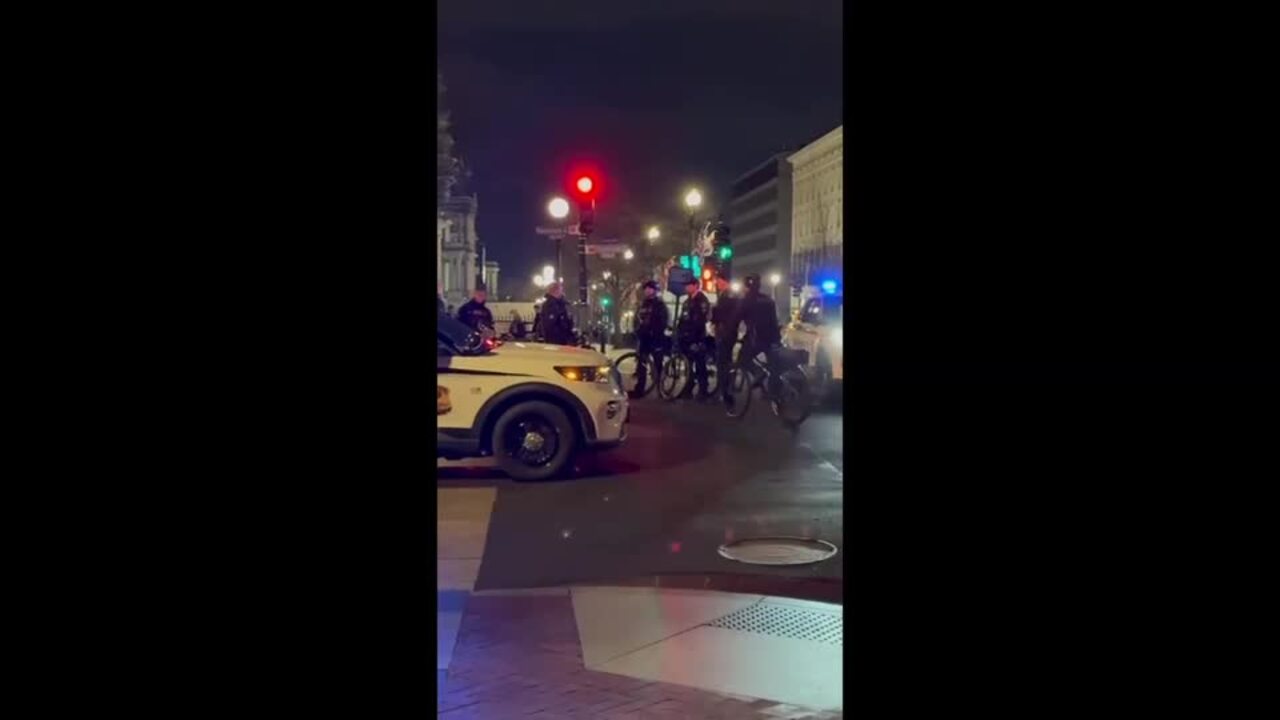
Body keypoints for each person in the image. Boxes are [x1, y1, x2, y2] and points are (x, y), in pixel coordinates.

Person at [738, 273, 784, 387]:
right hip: (773, 337)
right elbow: (775, 318)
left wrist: (729, 332)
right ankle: (775, 391)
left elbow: (736, 318)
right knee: (773, 365)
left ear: (745, 287)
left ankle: (758, 373)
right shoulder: (768, 299)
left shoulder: (747, 300)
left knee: (743, 358)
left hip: (757, 337)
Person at [676, 277, 712, 399]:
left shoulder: (701, 300)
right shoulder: (687, 301)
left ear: (696, 285)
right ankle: (688, 388)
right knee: (688, 365)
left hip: (697, 337)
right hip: (686, 337)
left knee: (700, 364)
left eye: (689, 285)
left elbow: (700, 320)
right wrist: (678, 331)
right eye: (686, 285)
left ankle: (703, 390)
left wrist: (694, 336)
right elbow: (683, 319)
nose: (686, 287)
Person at [633, 280, 670, 397]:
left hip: (655, 337)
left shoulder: (659, 304)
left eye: (650, 289)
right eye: (646, 289)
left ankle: (661, 388)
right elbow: (637, 318)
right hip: (644, 337)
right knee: (641, 364)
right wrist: (637, 330)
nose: (647, 291)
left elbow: (663, 320)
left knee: (658, 363)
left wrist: (655, 331)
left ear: (654, 290)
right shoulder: (643, 304)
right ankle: (639, 388)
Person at [711, 274, 743, 407]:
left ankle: (725, 393)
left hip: (726, 333)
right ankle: (723, 391)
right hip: (725, 332)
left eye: (717, 281)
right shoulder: (725, 294)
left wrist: (717, 321)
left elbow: (727, 314)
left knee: (722, 363)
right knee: (724, 362)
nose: (716, 283)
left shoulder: (729, 295)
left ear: (723, 281)